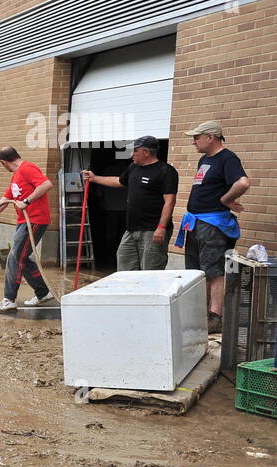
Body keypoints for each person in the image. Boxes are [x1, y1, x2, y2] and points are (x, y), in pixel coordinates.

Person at [176, 121, 250, 333]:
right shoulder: (204, 159)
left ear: (211, 137)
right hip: (195, 222)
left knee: (214, 271)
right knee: (196, 270)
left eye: (197, 137)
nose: (193, 141)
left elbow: (243, 183)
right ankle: (200, 313)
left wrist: (227, 200)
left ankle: (215, 317)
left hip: (213, 224)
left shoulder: (228, 158)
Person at [0, 146, 53, 312]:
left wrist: (27, 201)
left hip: (34, 220)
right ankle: (43, 293)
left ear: (3, 162)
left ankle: (9, 299)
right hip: (23, 222)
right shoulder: (16, 176)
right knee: (21, 258)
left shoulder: (27, 168)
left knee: (15, 257)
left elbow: (46, 184)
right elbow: (4, 201)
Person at [82, 136, 178, 270]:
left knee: (150, 270)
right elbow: (119, 181)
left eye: (135, 150)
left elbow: (170, 201)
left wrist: (161, 227)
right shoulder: (133, 167)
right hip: (131, 229)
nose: (132, 154)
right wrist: (95, 178)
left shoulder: (166, 171)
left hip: (152, 230)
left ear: (146, 152)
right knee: (124, 265)